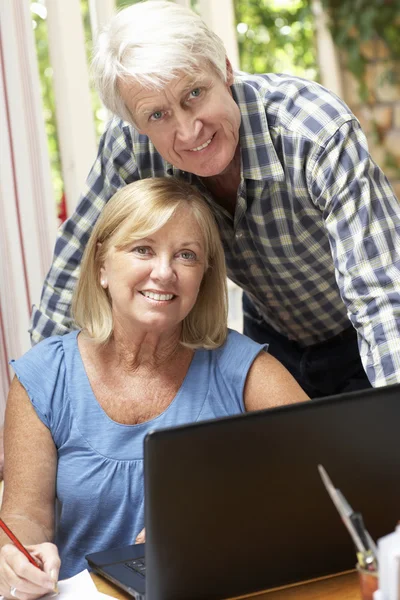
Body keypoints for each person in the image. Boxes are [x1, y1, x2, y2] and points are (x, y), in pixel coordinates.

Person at [29, 1, 400, 400]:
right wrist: (33, 403)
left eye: (194, 93)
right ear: (136, 123)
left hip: (361, 338)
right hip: (271, 340)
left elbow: (381, 299)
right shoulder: (132, 147)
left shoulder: (315, 132)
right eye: (157, 116)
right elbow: (75, 267)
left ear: (223, 69)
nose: (188, 132)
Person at [0, 178, 308, 598]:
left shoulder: (243, 368)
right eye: (142, 249)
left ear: (203, 277)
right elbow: (25, 515)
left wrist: (229, 516)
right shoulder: (43, 377)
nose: (164, 273)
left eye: (186, 255)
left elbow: (324, 479)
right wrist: (20, 558)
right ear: (102, 266)